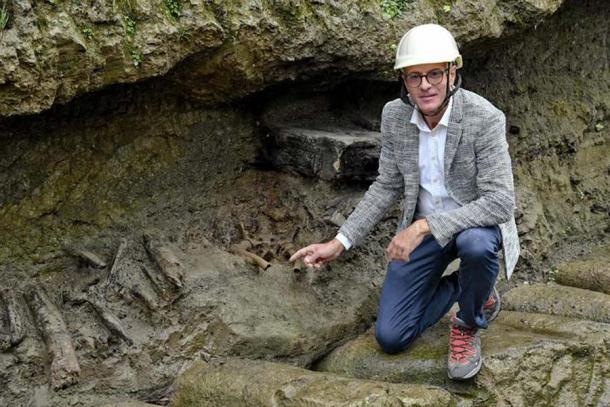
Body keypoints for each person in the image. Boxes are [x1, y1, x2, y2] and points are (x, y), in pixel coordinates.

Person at [289, 23, 520, 380]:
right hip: (423, 236)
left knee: (477, 245)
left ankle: (467, 322)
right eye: (414, 77)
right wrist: (340, 241)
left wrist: (423, 226)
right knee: (391, 336)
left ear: (452, 72)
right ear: (403, 80)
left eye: (433, 74)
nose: (425, 85)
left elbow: (501, 202)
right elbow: (386, 185)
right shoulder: (395, 116)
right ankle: (474, 287)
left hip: (471, 226)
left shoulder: (484, 118)